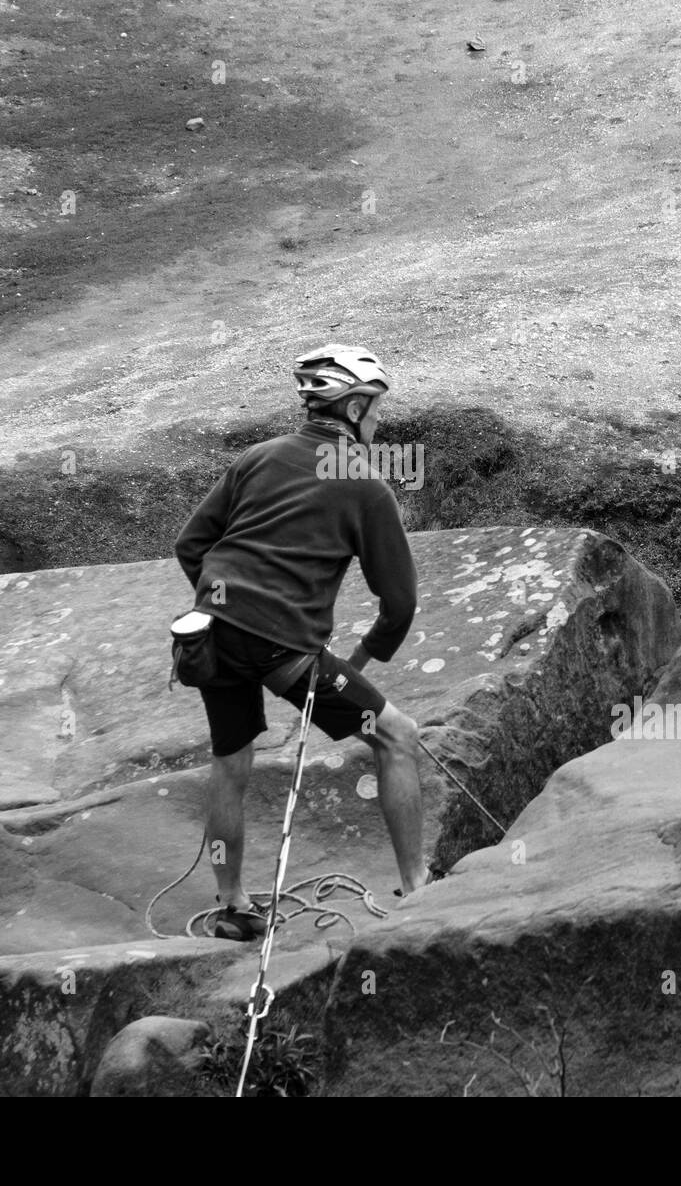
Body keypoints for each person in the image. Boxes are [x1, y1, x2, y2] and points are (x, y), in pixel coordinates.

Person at [173, 346, 430, 941]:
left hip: (208, 635)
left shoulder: (257, 457)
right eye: (376, 409)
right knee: (397, 735)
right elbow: (400, 604)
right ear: (355, 408)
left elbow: (192, 545)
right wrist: (361, 658)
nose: (379, 421)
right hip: (281, 646)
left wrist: (224, 604)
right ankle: (418, 887)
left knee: (230, 762)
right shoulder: (365, 485)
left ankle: (232, 907)